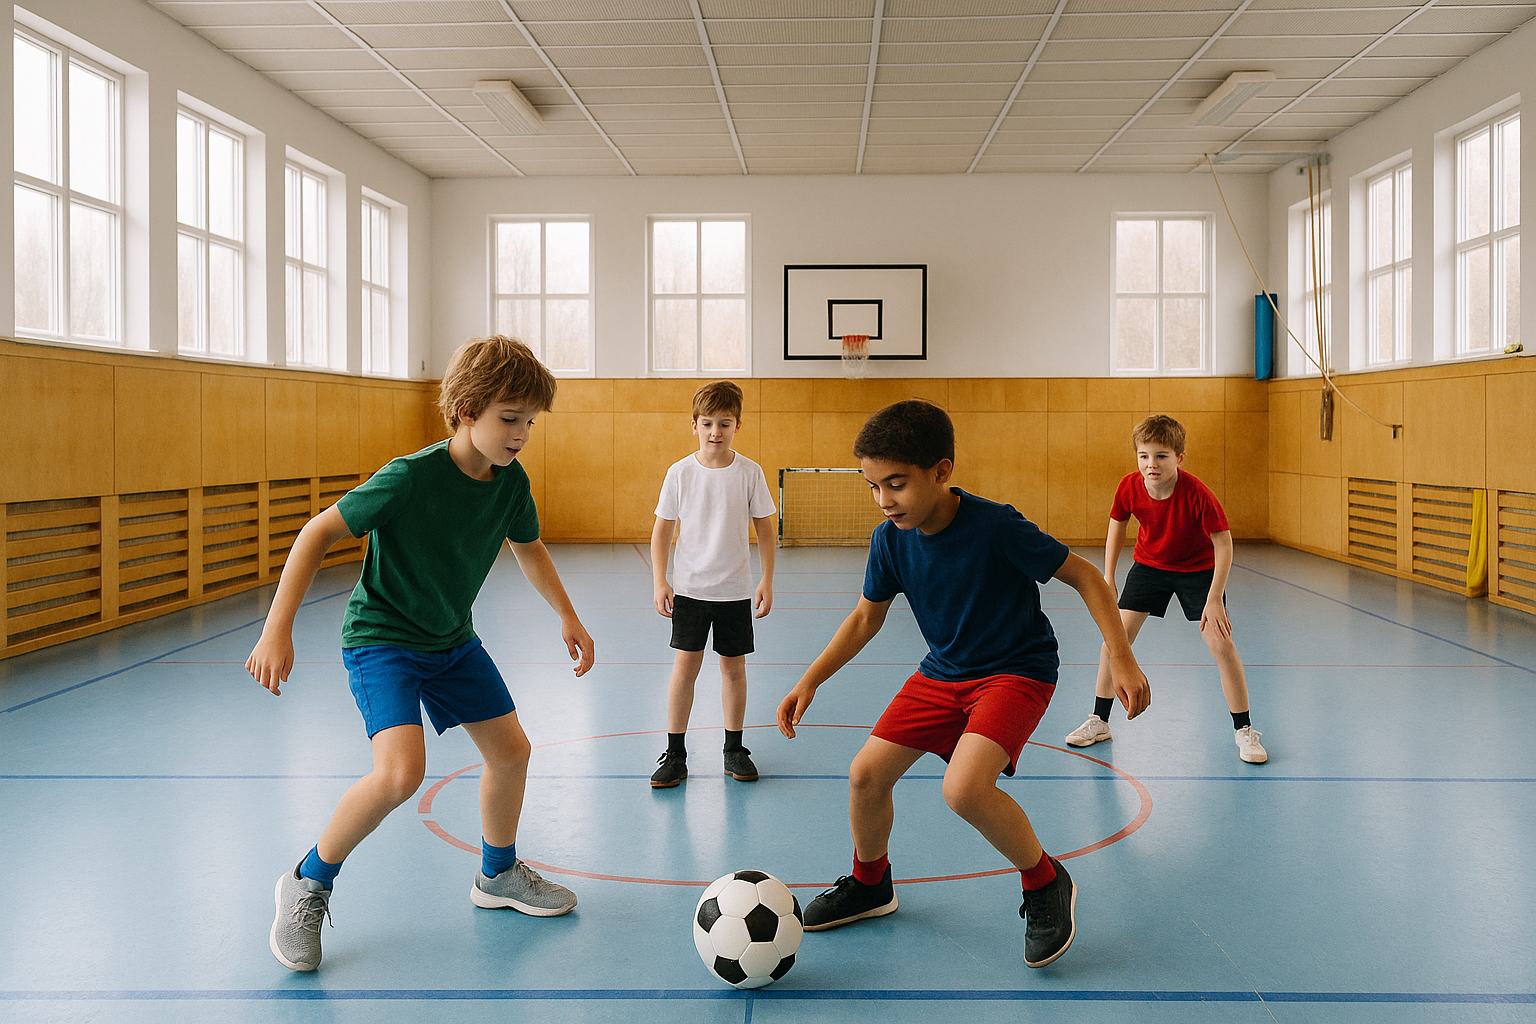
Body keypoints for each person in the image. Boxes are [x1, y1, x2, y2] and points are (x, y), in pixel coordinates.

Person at [246, 335, 596, 973]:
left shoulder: (510, 482)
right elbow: (316, 532)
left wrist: (568, 615)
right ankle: (305, 882)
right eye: (508, 419)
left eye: (529, 422)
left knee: (512, 751)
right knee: (400, 774)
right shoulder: (410, 476)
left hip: (450, 640)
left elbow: (530, 547)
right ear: (466, 410)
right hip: (383, 639)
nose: (521, 434)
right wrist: (278, 627)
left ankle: (498, 875)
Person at [776, 399, 1150, 968]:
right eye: (873, 486)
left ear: (942, 471)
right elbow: (864, 618)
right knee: (865, 776)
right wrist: (810, 682)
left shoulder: (996, 525)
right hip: (943, 671)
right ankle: (871, 883)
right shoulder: (889, 539)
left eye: (896, 484)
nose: (884, 500)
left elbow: (1086, 576)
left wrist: (1120, 657)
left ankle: (1045, 881)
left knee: (964, 789)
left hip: (1015, 670)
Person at [1064, 414, 1267, 764]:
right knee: (1116, 638)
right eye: (1144, 456)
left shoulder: (1197, 493)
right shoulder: (1129, 486)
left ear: (1179, 458)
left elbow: (1224, 544)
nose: (1151, 464)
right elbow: (1117, 527)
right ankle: (1099, 720)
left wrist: (1215, 597)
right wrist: (1108, 577)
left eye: (1161, 456)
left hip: (1198, 570)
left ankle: (1245, 730)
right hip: (1149, 566)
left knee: (1221, 644)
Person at [650, 381, 777, 787]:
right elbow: (661, 532)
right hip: (690, 590)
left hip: (735, 591)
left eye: (724, 423)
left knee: (732, 669)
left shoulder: (750, 472)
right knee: (684, 670)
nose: (715, 432)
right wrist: (660, 580)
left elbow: (766, 529)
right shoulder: (680, 473)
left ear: (738, 425)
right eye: (707, 423)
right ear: (694, 425)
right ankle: (676, 753)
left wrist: (767, 580)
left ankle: (734, 749)